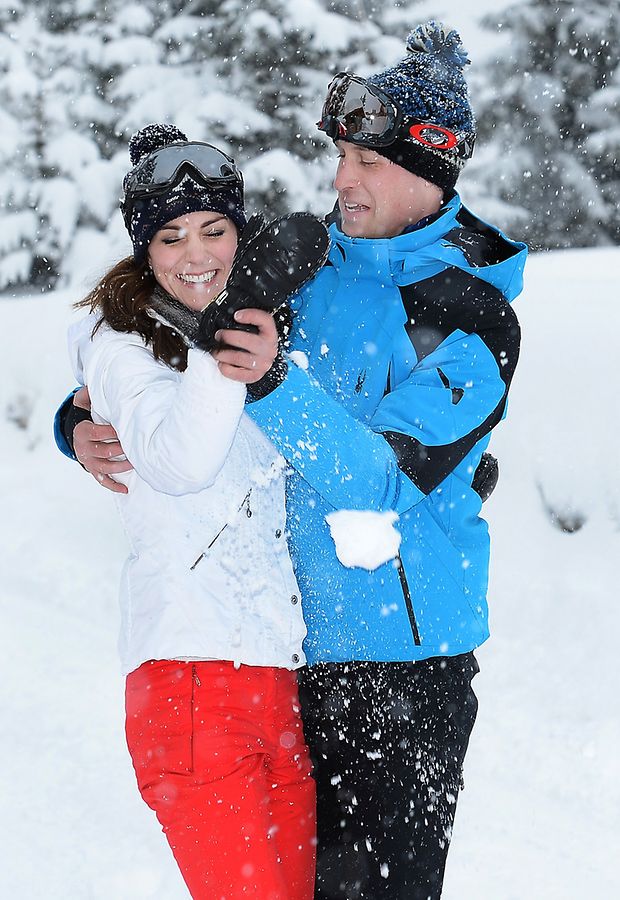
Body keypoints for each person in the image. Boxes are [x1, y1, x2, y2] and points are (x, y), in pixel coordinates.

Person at [57, 22, 527, 900]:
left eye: (369, 163)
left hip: (404, 675)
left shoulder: (475, 317)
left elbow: (381, 480)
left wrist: (271, 379)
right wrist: (78, 418)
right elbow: (168, 322)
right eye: (341, 155)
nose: (341, 178)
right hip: (287, 657)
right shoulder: (303, 257)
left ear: (430, 170)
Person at [64, 123, 318, 900]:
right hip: (190, 686)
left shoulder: (269, 329)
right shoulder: (120, 347)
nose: (196, 254)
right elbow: (177, 461)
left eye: (215, 230)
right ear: (144, 252)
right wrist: (228, 331)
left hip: (281, 683)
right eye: (170, 238)